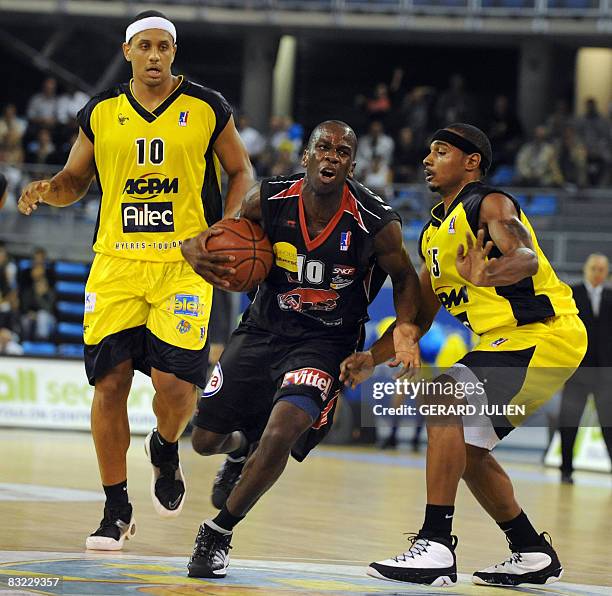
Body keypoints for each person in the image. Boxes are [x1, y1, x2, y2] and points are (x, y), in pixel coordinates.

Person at [17, 10, 254, 551]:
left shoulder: (207, 106)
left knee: (175, 389)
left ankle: (165, 446)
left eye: (163, 47)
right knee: (109, 387)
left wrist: (227, 227)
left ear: (174, 52)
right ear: (128, 52)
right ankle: (115, 508)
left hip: (185, 266)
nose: (154, 55)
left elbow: (241, 171)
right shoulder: (100, 112)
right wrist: (46, 189)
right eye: (144, 46)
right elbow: (75, 180)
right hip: (117, 265)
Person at [340, 123, 587, 587]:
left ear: (471, 161)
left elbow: (527, 258)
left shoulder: (490, 204)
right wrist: (368, 359)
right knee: (468, 453)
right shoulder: (433, 235)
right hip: (509, 342)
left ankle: (435, 543)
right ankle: (533, 551)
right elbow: (422, 317)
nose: (428, 160)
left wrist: (491, 272)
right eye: (428, 152)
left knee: (440, 397)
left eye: (441, 152)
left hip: (544, 333)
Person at [180, 120, 422, 578]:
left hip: (325, 343)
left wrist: (405, 328)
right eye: (324, 148)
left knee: (282, 431)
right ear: (306, 156)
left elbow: (406, 278)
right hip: (262, 329)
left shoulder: (375, 220)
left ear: (352, 164)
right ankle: (238, 449)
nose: (333, 156)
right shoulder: (269, 198)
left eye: (343, 151)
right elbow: (220, 236)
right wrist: (194, 249)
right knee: (204, 439)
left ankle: (218, 534)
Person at [559, 254, 612, 483]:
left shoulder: (611, 298)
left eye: (602, 269)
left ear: (607, 272)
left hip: (605, 375)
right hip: (577, 371)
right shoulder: (571, 295)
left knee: (609, 425)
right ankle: (566, 470)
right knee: (568, 422)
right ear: (585, 269)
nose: (597, 273)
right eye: (593, 268)